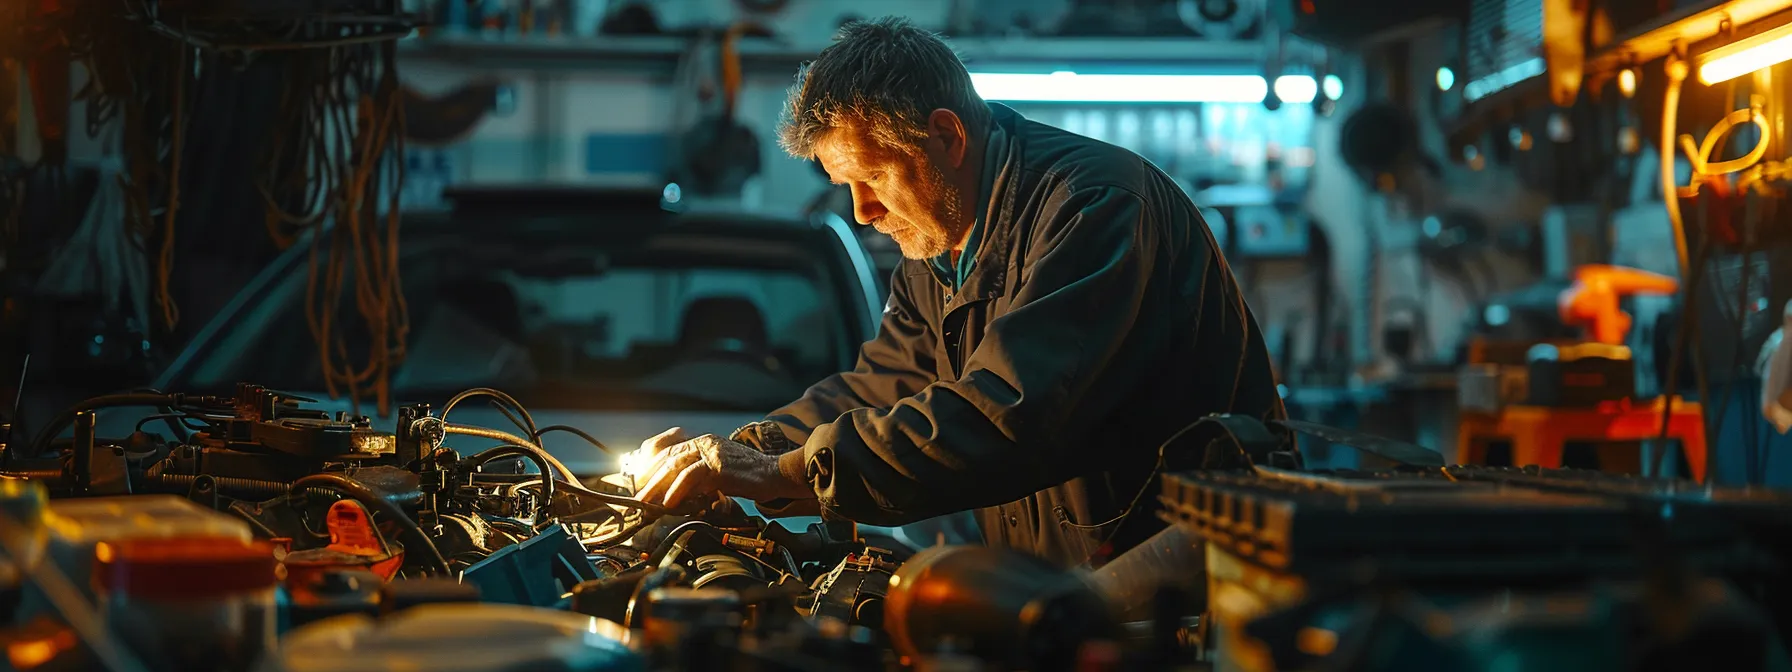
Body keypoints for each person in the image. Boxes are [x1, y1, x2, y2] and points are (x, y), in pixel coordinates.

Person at [634, 16, 1284, 568]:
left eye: (874, 178)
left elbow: (1011, 411)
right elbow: (885, 386)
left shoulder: (1094, 207)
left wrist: (781, 474)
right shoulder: (939, 247)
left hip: (1182, 585)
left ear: (946, 136)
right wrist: (750, 450)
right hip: (1063, 583)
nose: (862, 211)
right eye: (845, 185)